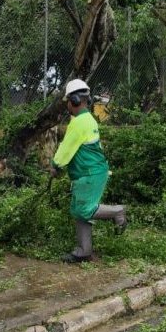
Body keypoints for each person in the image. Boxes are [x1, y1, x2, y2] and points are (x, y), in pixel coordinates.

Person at [51, 79, 126, 264]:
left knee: (85, 209)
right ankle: (84, 251)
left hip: (90, 173)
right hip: (88, 172)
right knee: (79, 211)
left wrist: (56, 166)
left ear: (74, 100)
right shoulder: (86, 119)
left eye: (68, 100)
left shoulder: (79, 123)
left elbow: (66, 148)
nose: (67, 105)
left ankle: (118, 212)